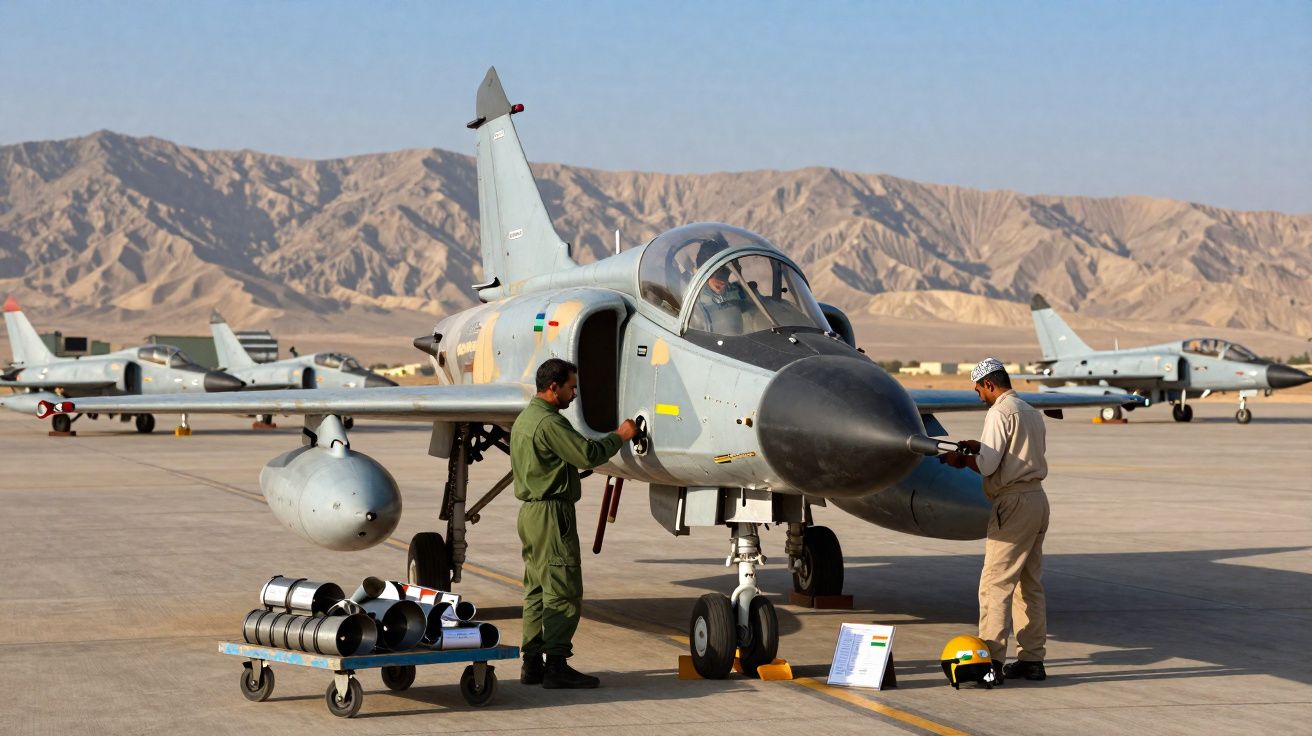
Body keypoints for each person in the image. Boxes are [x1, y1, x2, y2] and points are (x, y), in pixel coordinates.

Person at [511, 358, 638, 689]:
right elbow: (587, 455)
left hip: (530, 514)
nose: (575, 395)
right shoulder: (550, 423)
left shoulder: (525, 419)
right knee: (563, 590)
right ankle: (555, 666)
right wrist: (620, 435)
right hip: (552, 514)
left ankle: (532, 664)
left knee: (537, 589)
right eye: (571, 388)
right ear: (554, 388)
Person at [940, 357, 1049, 683]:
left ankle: (990, 662)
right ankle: (1032, 659)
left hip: (1012, 503)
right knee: (1029, 585)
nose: (978, 397)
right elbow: (1011, 454)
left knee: (995, 585)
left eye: (979, 391)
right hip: (1037, 500)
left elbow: (988, 466)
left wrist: (962, 459)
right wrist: (979, 448)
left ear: (989, 384)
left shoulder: (999, 412)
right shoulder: (1029, 410)